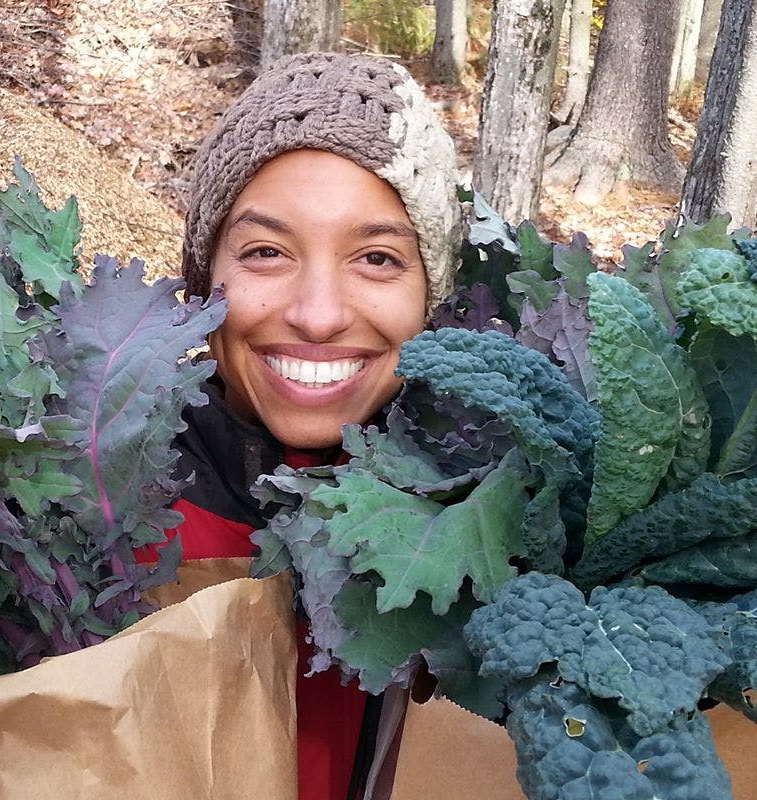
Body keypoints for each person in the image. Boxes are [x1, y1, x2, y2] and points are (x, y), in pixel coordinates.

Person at [166, 52, 464, 800]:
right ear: (204, 281)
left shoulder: (506, 520)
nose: (319, 313)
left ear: (432, 295)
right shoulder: (90, 516)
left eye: (377, 257)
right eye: (266, 252)